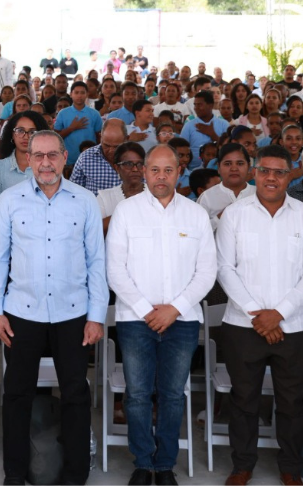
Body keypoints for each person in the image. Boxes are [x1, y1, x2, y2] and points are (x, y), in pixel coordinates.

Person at [0, 130, 106, 485]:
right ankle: (15, 473)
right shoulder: (11, 200)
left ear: (65, 158)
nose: (45, 163)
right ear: (28, 158)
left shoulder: (85, 201)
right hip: (22, 311)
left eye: (52, 155)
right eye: (37, 155)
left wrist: (96, 316)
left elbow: (97, 261)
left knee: (75, 394)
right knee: (17, 394)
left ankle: (75, 474)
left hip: (73, 313)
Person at [106, 144, 216, 486]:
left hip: (181, 321)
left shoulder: (195, 214)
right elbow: (115, 269)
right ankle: (142, 462)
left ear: (179, 172)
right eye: (154, 170)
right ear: (144, 171)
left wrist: (174, 308)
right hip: (134, 320)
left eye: (168, 170)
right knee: (137, 394)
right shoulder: (126, 211)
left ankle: (165, 464)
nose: (161, 177)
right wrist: (145, 310)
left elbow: (207, 270)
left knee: (172, 394)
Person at [215, 145, 303, 486]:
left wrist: (277, 314)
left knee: (291, 403)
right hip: (242, 325)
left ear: (290, 175)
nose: (271, 178)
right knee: (244, 400)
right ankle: (242, 465)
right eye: (264, 170)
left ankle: (290, 467)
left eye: (279, 172)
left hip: (294, 327)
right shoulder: (235, 214)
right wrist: (258, 314)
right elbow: (224, 269)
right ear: (254, 173)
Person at [0, 111, 47, 219]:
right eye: (20, 131)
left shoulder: (49, 167)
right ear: (12, 135)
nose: (26, 136)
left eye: (32, 132)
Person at [196, 143, 253, 230]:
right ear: (219, 167)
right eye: (227, 164)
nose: (234, 168)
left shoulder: (259, 195)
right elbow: (196, 232)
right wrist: (219, 218)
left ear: (248, 167)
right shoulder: (207, 197)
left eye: (240, 163)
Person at [97, 142, 146, 233]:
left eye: (139, 164)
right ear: (117, 168)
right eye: (128, 164)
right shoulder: (105, 197)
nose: (135, 169)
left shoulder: (155, 195)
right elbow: (95, 230)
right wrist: (127, 214)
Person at [53, 81, 103, 168]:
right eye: (76, 92)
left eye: (82, 92)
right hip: (68, 159)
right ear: (71, 94)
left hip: (90, 158)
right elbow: (56, 137)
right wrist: (71, 128)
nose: (79, 95)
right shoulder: (63, 113)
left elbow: (99, 137)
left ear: (87, 94)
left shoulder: (94, 114)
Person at [70, 118, 125, 195]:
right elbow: (73, 190)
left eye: (116, 147)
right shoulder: (86, 157)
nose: (111, 151)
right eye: (106, 145)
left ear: (126, 139)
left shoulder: (136, 159)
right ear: (100, 137)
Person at [180, 89, 227, 170]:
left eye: (200, 105)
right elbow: (181, 150)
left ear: (210, 105)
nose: (196, 108)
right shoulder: (189, 125)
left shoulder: (223, 124)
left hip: (220, 170)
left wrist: (213, 135)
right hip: (193, 171)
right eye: (195, 105)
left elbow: (229, 149)